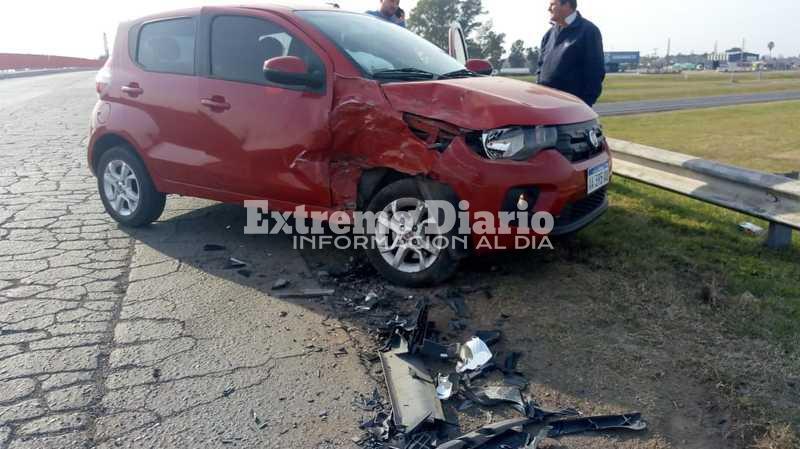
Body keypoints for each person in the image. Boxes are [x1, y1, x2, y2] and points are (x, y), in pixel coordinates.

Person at [537, 0, 605, 106]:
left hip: (572, 106)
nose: (548, 9)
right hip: (546, 104)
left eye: (552, 5)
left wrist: (585, 103)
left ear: (567, 5)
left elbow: (595, 71)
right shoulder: (549, 34)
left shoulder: (588, 31)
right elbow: (540, 67)